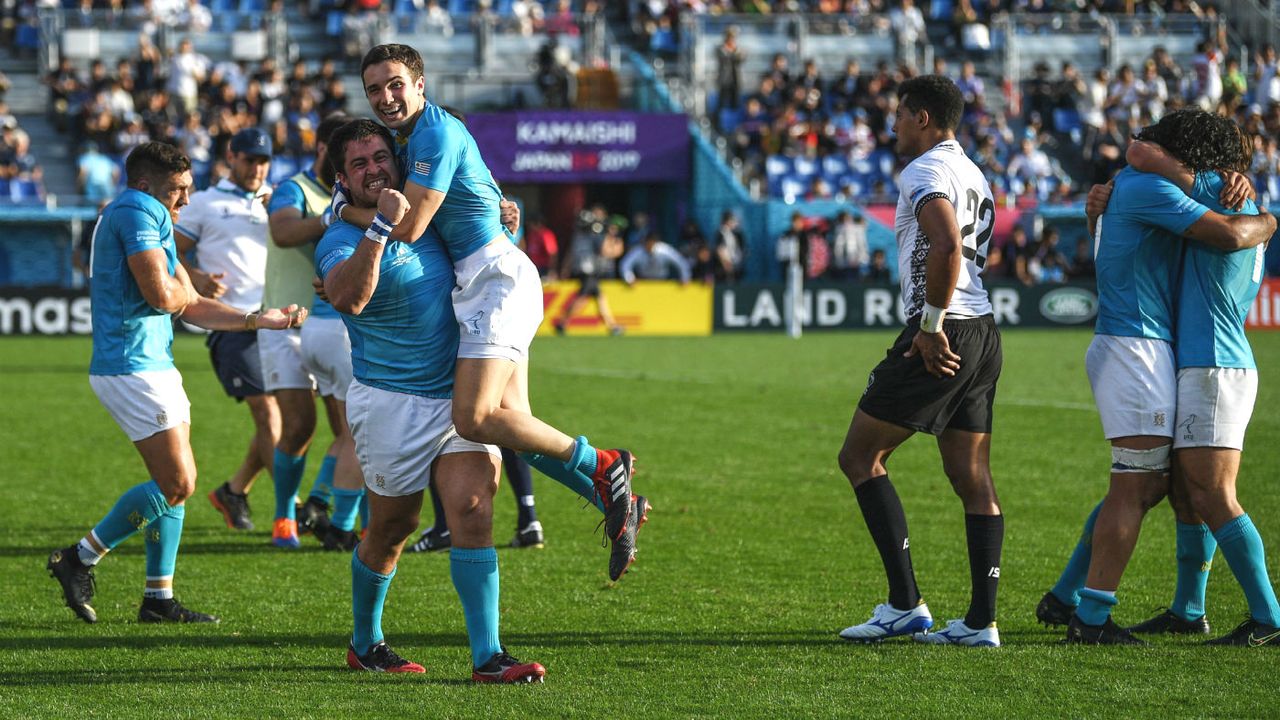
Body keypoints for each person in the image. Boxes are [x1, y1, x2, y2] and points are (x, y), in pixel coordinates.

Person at [341, 44, 645, 580]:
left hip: (495, 281)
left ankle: (604, 465)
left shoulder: (433, 132)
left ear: (419, 82)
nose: (384, 97)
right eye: (373, 89)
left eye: (394, 84)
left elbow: (409, 227)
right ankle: (617, 503)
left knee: (475, 417)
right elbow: (483, 195)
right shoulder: (411, 139)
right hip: (485, 281)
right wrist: (344, 205)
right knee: (513, 426)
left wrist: (349, 214)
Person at [1039, 111, 1279, 645]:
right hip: (1175, 353)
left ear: (1189, 155)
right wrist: (1269, 214)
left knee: (1196, 491)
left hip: (1206, 361)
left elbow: (1143, 157)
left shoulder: (1213, 190)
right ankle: (1181, 609)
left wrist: (1268, 218)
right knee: (1160, 485)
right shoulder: (1219, 192)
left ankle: (1269, 619)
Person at [317, 119, 545, 681]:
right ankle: (365, 642)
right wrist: (377, 231)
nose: (373, 169)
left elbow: (479, 239)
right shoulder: (338, 239)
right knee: (393, 528)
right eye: (358, 165)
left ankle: (488, 657)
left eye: (379, 157)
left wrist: (504, 212)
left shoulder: (431, 218)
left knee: (473, 511)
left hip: (460, 391)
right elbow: (347, 297)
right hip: (390, 401)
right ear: (342, 181)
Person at [46, 142, 304, 625]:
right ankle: (78, 557)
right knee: (178, 482)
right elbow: (166, 295)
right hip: (131, 366)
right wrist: (187, 287)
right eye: (177, 190)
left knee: (178, 484)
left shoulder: (144, 210)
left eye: (188, 189)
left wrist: (256, 319)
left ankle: (158, 599)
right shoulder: (138, 209)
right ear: (146, 185)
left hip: (152, 363)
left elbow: (190, 302)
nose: (185, 201)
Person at [836, 75, 1005, 648]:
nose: (893, 127)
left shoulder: (925, 170)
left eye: (900, 116)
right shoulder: (974, 172)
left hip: (943, 328)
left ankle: (905, 605)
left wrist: (930, 325)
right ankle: (981, 623)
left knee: (860, 455)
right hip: (982, 329)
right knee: (971, 477)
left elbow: (947, 244)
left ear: (924, 119)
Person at [213, 113, 366, 548]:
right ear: (320, 150)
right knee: (298, 427)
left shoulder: (349, 190)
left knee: (350, 429)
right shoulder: (292, 189)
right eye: (338, 154)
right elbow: (282, 233)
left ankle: (325, 507)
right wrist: (334, 217)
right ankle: (286, 518)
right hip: (283, 323)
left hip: (330, 321)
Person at [173, 128, 284, 544]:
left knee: (284, 420)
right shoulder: (203, 203)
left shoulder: (278, 197)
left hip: (279, 319)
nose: (257, 168)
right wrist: (196, 276)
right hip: (233, 323)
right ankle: (290, 512)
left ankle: (233, 492)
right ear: (231, 158)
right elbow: (172, 250)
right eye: (250, 160)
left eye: (263, 161)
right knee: (269, 415)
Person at [619, 231, 692, 284]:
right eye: (647, 243)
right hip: (644, 282)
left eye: (652, 243)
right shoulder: (638, 251)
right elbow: (625, 264)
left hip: (662, 281)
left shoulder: (664, 250)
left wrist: (685, 277)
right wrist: (629, 278)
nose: (649, 246)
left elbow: (680, 261)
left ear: (656, 243)